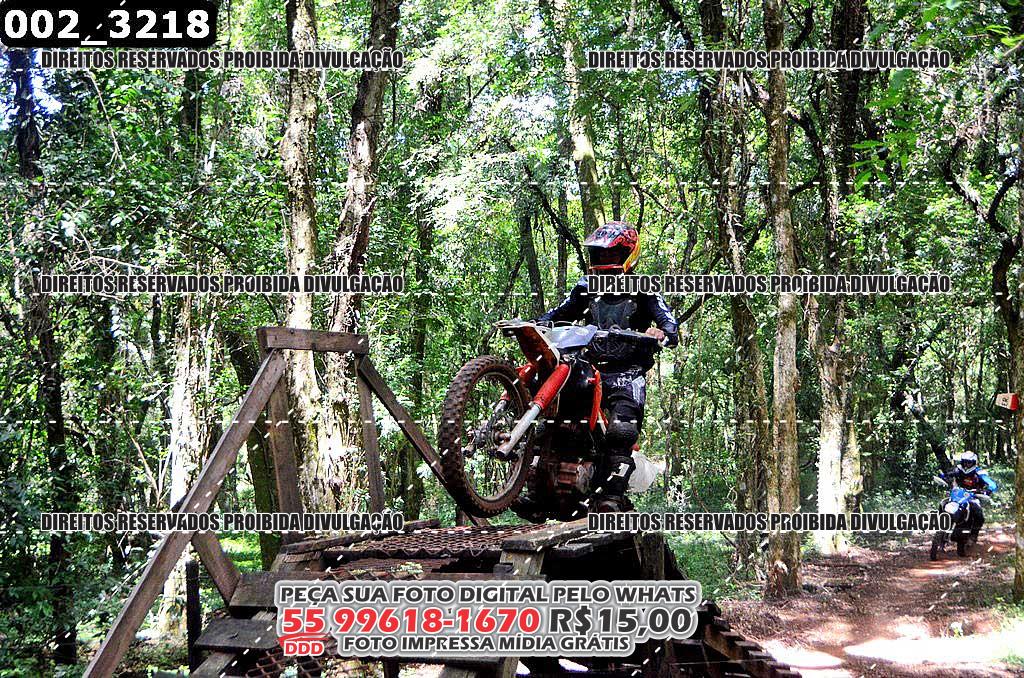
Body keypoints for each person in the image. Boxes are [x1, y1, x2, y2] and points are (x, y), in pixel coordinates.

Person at [535, 221, 679, 511]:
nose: (605, 259)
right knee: (550, 422)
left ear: (628, 254)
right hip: (590, 369)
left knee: (621, 431)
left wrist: (660, 332)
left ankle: (612, 495)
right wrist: (538, 324)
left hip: (628, 372)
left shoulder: (644, 287)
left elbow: (669, 325)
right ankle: (536, 487)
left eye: (612, 254)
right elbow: (561, 312)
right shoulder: (586, 286)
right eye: (600, 254)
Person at [940, 451, 997, 543]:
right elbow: (947, 474)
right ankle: (942, 524)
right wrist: (942, 476)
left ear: (973, 462)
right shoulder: (958, 469)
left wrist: (989, 490)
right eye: (965, 462)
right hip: (958, 495)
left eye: (969, 462)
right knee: (943, 503)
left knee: (978, 513)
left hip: (973, 495)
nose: (967, 464)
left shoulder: (979, 472)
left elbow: (992, 484)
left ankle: (973, 535)